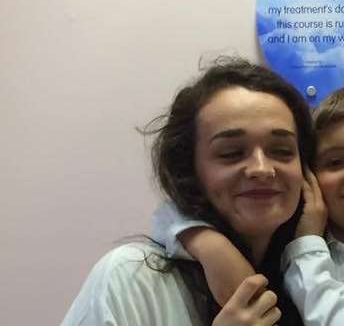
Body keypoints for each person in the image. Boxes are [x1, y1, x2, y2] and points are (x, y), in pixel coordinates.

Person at [154, 85, 344, 325]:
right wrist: (208, 244)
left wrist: (308, 246)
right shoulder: (282, 239)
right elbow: (167, 215)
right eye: (335, 162)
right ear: (308, 179)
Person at [61, 57, 316, 325]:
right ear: (190, 170)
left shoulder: (324, 274)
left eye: (282, 151)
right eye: (231, 153)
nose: (262, 168)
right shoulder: (130, 277)